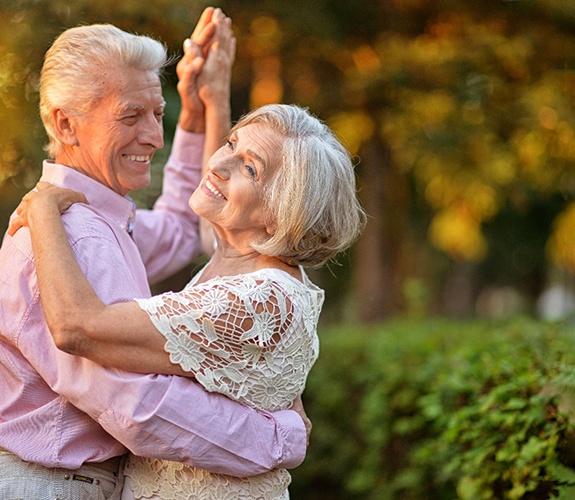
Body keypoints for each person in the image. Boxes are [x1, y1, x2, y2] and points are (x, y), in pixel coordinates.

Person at [0, 9, 310, 500]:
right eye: (131, 116)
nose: (153, 136)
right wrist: (282, 433)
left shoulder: (99, 220)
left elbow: (183, 229)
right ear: (66, 124)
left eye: (157, 114)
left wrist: (195, 112)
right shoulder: (78, 235)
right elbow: (137, 405)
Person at [9, 103, 367, 499]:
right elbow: (191, 222)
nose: (219, 164)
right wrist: (212, 98)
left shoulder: (260, 298)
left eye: (250, 168)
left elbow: (79, 327)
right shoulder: (229, 269)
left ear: (283, 212)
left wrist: (43, 210)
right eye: (231, 143)